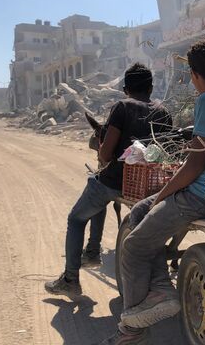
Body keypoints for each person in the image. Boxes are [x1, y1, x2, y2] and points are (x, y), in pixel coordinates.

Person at [103, 41, 205, 344]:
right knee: (140, 210)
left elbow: (193, 167)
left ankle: (135, 326)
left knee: (135, 247)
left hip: (204, 197)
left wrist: (164, 193)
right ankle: (158, 291)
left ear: (195, 75)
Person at [45, 63, 172, 297]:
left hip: (114, 181)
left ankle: (71, 277)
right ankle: (92, 251)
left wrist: (105, 153)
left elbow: (104, 154)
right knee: (97, 201)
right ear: (151, 88)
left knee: (76, 218)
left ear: (125, 89)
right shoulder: (163, 111)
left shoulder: (122, 107)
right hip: (148, 185)